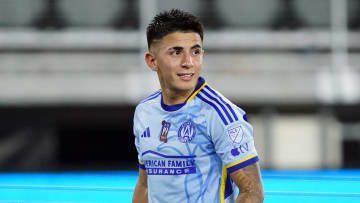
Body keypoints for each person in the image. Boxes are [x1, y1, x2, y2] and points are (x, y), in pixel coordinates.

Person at [132, 9, 264, 203]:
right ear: (152, 61)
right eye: (176, 52)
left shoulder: (220, 114)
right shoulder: (144, 112)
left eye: (196, 51)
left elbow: (252, 192)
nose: (188, 62)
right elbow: (145, 184)